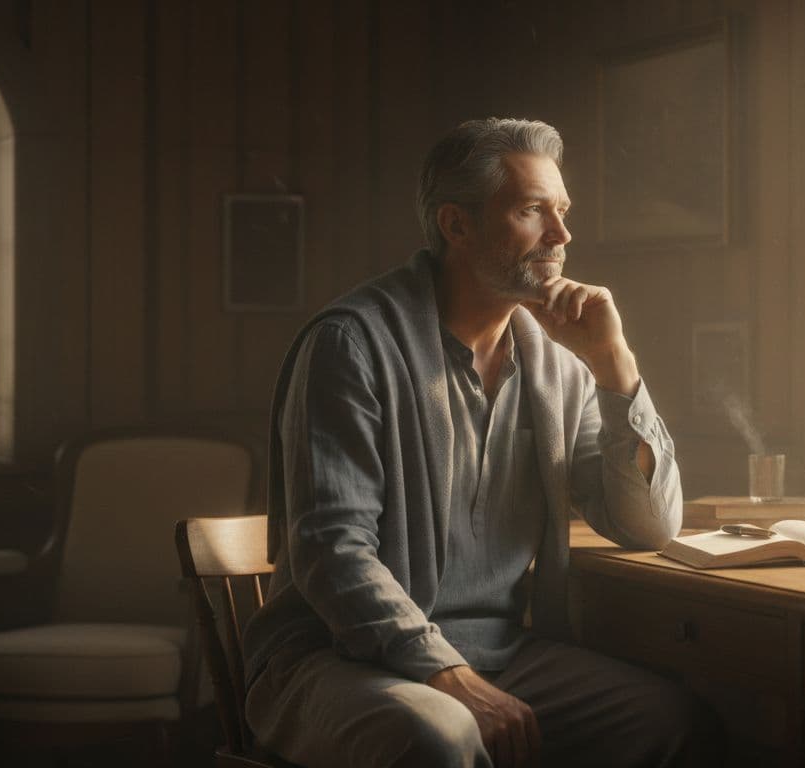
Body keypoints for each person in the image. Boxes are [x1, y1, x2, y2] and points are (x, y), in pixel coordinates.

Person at [241, 118, 722, 768]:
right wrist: (448, 675)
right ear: (455, 225)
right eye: (532, 210)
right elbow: (333, 554)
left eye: (562, 211)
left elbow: (647, 524)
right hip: (331, 660)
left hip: (500, 653)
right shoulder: (350, 345)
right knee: (443, 736)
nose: (561, 235)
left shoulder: (557, 366)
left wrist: (616, 364)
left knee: (669, 720)